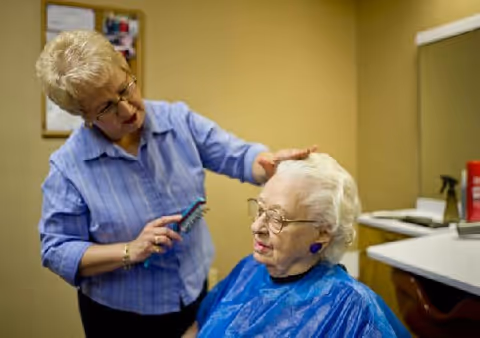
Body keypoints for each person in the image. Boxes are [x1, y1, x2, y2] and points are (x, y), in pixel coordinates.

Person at [35, 29, 315, 338]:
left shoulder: (178, 121)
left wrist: (268, 163)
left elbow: (237, 156)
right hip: (121, 318)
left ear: (127, 68)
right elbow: (57, 250)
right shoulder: (68, 168)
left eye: (125, 88)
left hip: (193, 296)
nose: (127, 110)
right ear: (84, 116)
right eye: (105, 108)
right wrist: (130, 250)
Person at [188, 153, 411, 337]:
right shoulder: (247, 270)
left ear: (322, 233)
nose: (256, 227)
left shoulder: (351, 308)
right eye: (260, 209)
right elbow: (198, 328)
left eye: (277, 218)